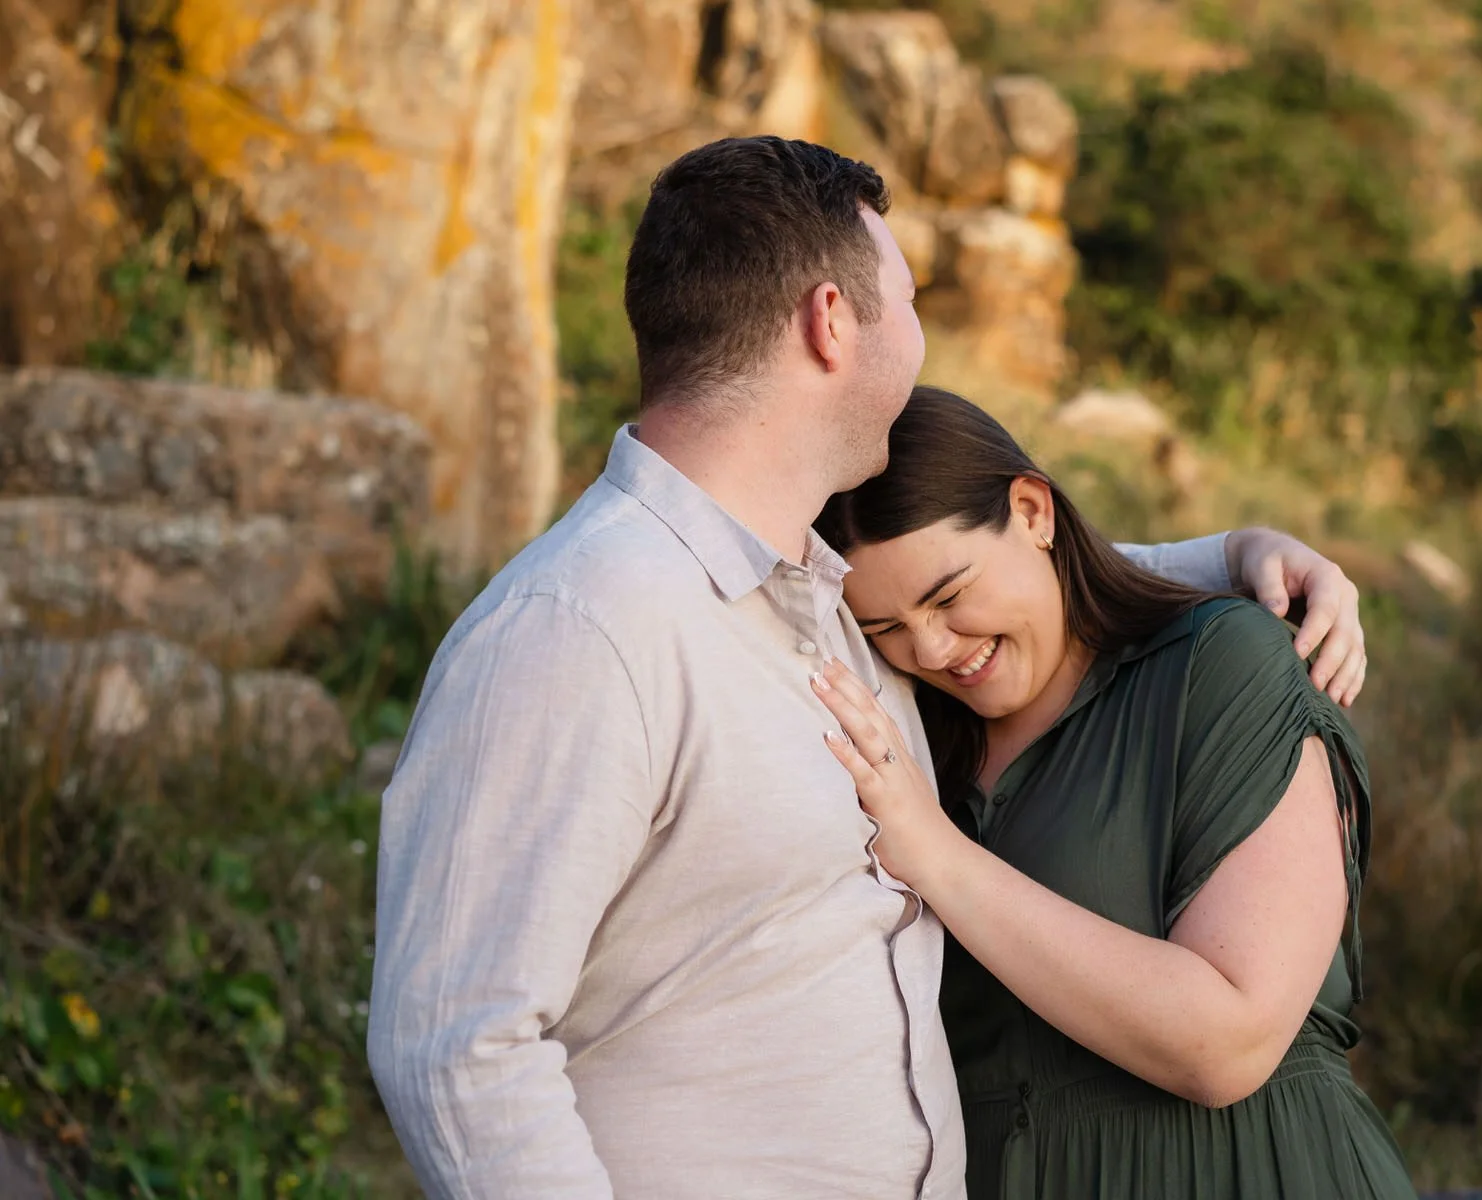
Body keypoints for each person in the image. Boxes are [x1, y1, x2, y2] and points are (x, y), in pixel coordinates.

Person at [366, 135, 1370, 1199]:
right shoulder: (577, 625)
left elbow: (1014, 586)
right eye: (905, 299)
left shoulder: (830, 600)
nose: (920, 339)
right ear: (832, 321)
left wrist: (1236, 555)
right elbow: (457, 1050)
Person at [808, 385, 1414, 1200]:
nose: (932, 648)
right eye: (883, 629)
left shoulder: (1218, 666)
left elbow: (1228, 1043)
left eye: (948, 598)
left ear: (1033, 512)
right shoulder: (912, 738)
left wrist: (938, 858)